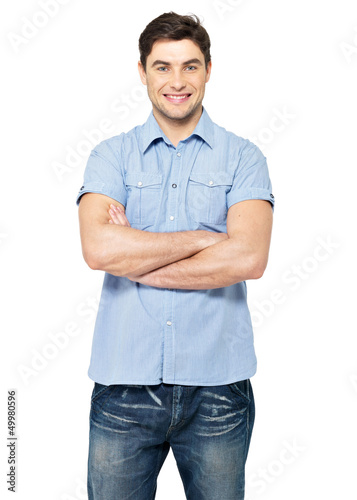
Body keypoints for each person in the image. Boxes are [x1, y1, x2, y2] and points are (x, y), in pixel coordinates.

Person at [76, 11, 274, 500]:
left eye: (190, 66)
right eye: (162, 67)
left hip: (218, 389)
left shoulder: (244, 157)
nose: (177, 81)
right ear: (142, 72)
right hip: (123, 385)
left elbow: (248, 258)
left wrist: (139, 255)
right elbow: (99, 248)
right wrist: (208, 239)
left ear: (209, 70)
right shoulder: (110, 155)